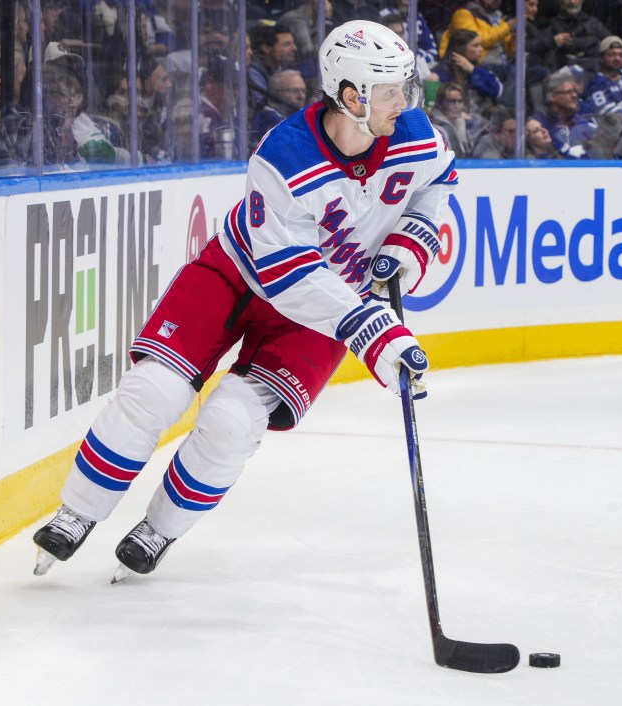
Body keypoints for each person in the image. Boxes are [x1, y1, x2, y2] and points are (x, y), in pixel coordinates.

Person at [31, 20, 456, 582]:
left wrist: (410, 243)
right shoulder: (285, 156)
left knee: (233, 421)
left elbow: (439, 181)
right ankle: (77, 512)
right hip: (241, 274)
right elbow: (290, 274)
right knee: (151, 391)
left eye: (405, 88)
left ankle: (158, 530)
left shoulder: (413, 133)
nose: (404, 102)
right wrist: (371, 328)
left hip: (323, 310)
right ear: (350, 95)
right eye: (388, 92)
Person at [530, 72, 595, 158]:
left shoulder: (584, 121)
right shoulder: (539, 125)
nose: (575, 95)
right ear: (552, 97)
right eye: (568, 92)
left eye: (575, 91)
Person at [438, 0, 516, 68]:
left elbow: (509, 52)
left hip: (501, 64)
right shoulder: (463, 14)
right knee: (514, 73)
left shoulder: (498, 16)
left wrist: (516, 36)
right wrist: (508, 27)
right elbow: (477, 41)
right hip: (472, 66)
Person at [545, 0, 610, 72]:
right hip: (565, 70)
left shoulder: (592, 22)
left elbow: (610, 43)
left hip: (596, 68)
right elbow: (568, 45)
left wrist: (590, 49)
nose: (572, 2)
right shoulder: (552, 24)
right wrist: (593, 41)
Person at [250, 68, 309, 145]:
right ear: (276, 93)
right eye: (294, 90)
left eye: (303, 91)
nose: (301, 96)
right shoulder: (268, 119)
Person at [428, 82, 472, 157]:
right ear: (439, 103)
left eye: (460, 101)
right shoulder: (435, 129)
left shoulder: (462, 123)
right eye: (452, 101)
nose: (457, 106)